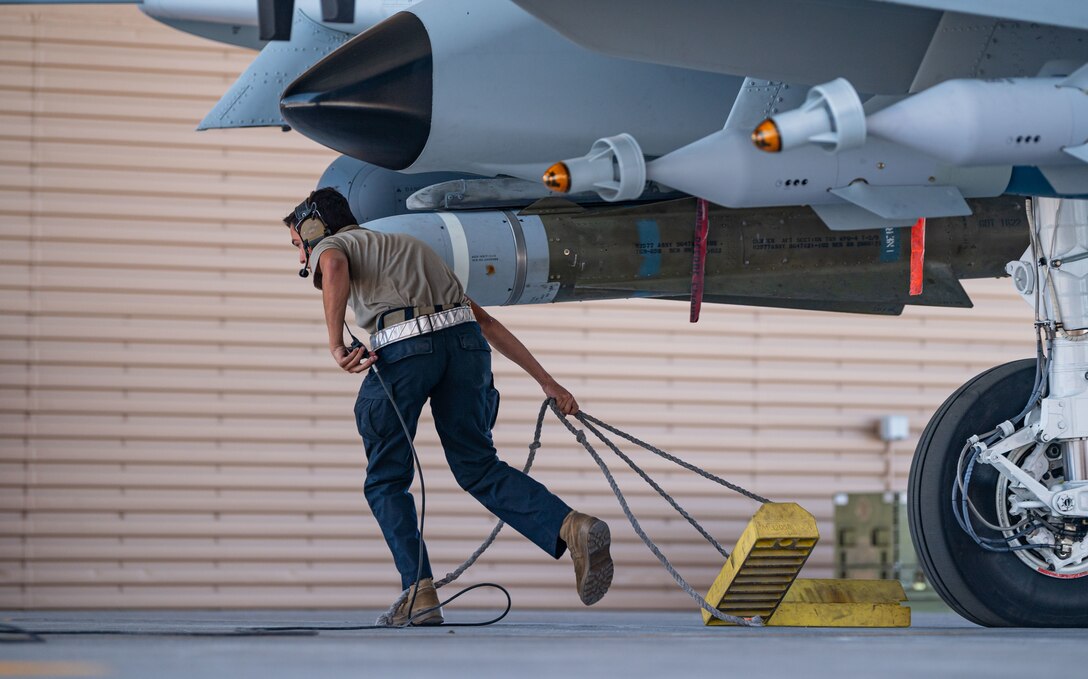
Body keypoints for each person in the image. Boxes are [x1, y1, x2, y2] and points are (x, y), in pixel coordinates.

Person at [284, 187, 613, 625]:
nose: (301, 258)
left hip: (406, 352)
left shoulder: (334, 245)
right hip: (465, 346)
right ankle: (571, 526)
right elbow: (487, 322)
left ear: (311, 228)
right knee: (478, 466)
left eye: (296, 245)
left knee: (386, 479)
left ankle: (419, 592)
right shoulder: (408, 246)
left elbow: (333, 264)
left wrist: (335, 344)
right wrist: (548, 384)